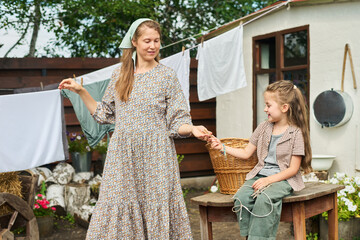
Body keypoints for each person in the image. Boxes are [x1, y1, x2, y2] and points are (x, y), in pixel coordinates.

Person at [59, 18, 211, 239]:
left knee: (155, 204)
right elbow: (103, 114)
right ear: (135, 42)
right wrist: (81, 92)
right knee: (117, 202)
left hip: (156, 155)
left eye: (156, 41)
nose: (152, 46)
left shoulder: (166, 76)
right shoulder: (120, 75)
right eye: (147, 40)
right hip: (122, 154)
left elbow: (177, 120)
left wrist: (193, 128)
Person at [210, 80, 312, 240]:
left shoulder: (295, 134)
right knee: (241, 198)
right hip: (259, 176)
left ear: (284, 108)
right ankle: (251, 236)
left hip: (283, 180)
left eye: (268, 105)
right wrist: (221, 147)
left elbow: (293, 169)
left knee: (264, 199)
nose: (265, 109)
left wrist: (269, 181)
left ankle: (259, 238)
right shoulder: (263, 127)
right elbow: (246, 152)